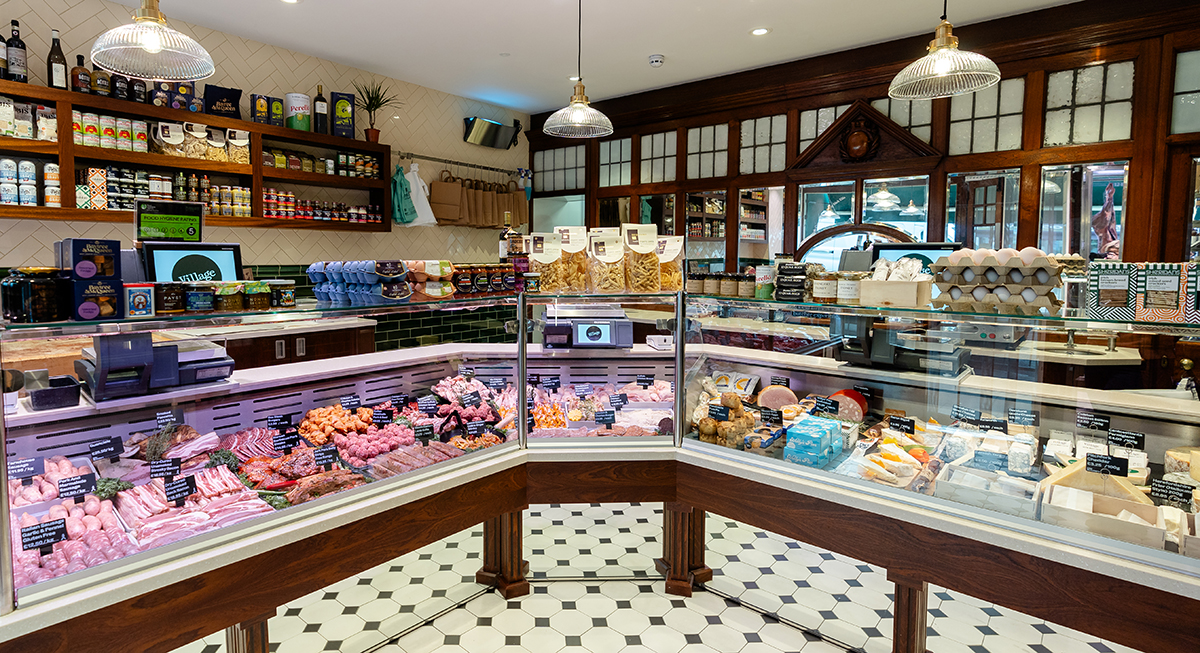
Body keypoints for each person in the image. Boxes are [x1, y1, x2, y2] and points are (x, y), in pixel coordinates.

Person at [1090, 182, 1119, 259]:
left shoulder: (1107, 235)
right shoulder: (1104, 233)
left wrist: (1109, 197)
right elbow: (1107, 213)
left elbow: (1107, 213)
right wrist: (1109, 197)